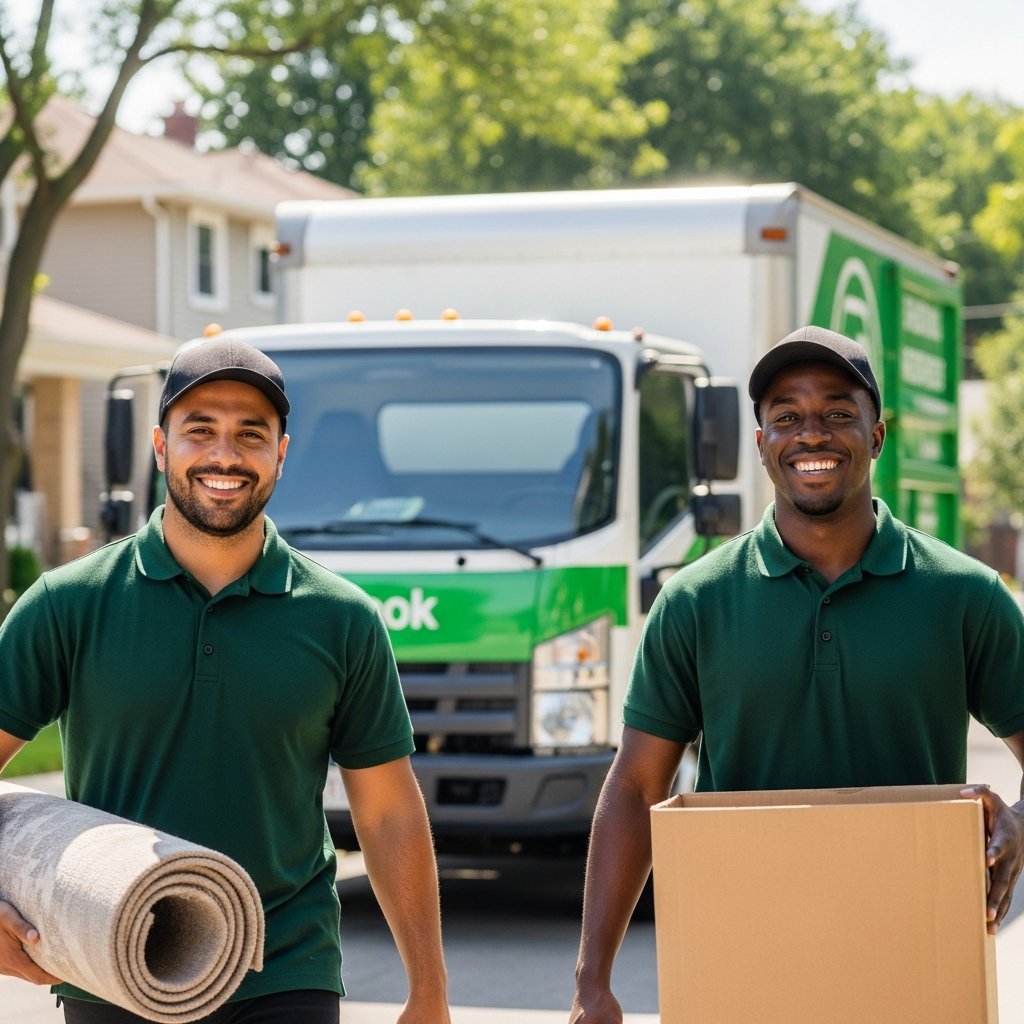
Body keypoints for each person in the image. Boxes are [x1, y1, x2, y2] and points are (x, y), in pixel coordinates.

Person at [569, 325, 1024, 1024]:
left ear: (876, 435)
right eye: (787, 417)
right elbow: (634, 786)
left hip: (918, 960)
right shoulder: (696, 601)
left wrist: (1019, 821)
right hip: (740, 958)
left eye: (838, 414)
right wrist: (591, 980)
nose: (812, 435)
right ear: (761, 445)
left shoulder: (963, 595)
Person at [0, 337, 451, 1024]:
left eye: (251, 434)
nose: (225, 455)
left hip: (284, 970)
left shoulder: (341, 619)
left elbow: (388, 814)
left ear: (281, 453)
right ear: (159, 446)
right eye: (200, 431)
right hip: (112, 966)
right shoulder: (69, 603)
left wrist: (430, 990)